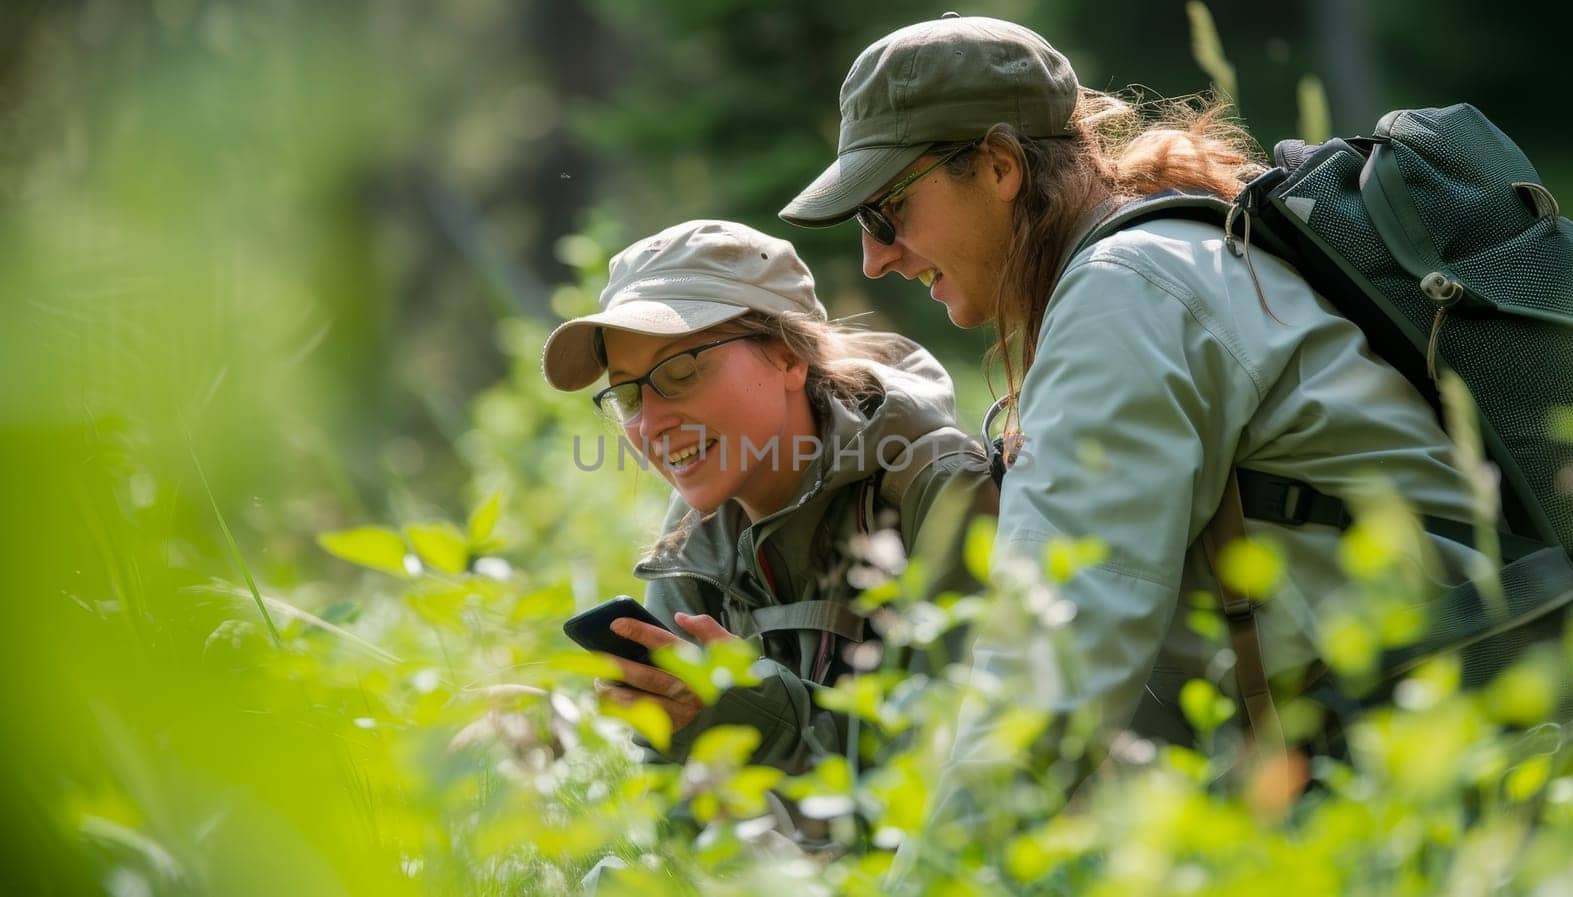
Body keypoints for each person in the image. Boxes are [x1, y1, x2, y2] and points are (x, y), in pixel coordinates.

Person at [779, 14, 1494, 753]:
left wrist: (938, 871)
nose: (872, 259)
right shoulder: (1160, 256)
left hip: (1452, 740)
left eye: (885, 210)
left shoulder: (1123, 292)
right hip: (1416, 718)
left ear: (998, 166)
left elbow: (1049, 672)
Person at [540, 219, 997, 777]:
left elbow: (963, 765)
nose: (651, 421)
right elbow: (670, 804)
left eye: (681, 371)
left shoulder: (937, 489)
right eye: (629, 393)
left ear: (786, 355)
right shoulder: (697, 531)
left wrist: (754, 721)